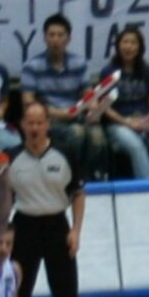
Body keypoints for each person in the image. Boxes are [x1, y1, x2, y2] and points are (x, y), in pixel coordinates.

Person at [10, 101, 94, 297]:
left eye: (39, 122)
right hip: (23, 228)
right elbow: (2, 202)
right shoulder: (10, 158)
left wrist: (76, 231)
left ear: (47, 124)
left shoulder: (64, 154)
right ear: (22, 125)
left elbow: (78, 194)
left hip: (58, 227)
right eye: (29, 123)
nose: (34, 128)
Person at [21, 13, 109, 181]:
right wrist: (59, 113)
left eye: (60, 35)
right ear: (45, 38)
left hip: (77, 114)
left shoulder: (79, 63)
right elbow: (28, 102)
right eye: (51, 35)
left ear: (68, 39)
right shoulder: (32, 66)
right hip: (49, 118)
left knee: (98, 137)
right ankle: (70, 178)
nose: (55, 40)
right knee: (77, 134)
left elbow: (87, 92)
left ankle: (88, 178)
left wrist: (92, 106)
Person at [100, 26, 149, 179]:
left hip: (145, 121)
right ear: (118, 46)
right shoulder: (108, 71)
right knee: (136, 146)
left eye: (133, 43)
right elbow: (105, 108)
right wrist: (128, 123)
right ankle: (146, 189)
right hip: (119, 123)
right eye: (125, 42)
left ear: (140, 47)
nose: (129, 46)